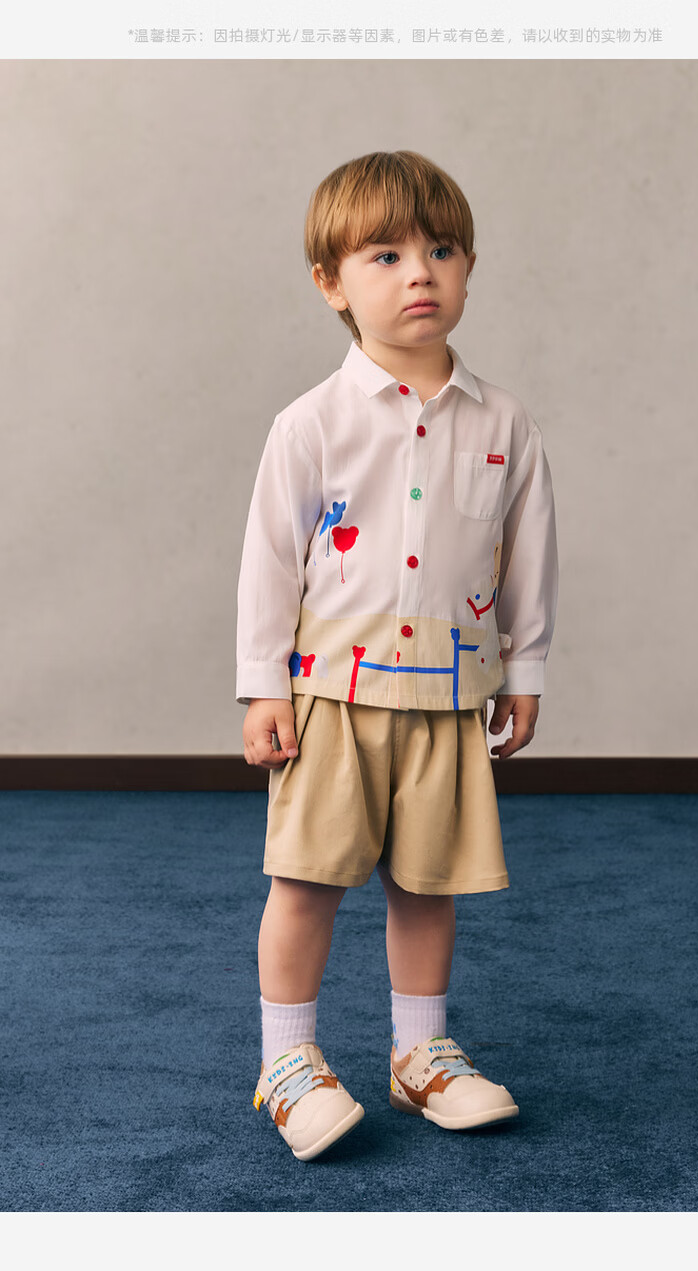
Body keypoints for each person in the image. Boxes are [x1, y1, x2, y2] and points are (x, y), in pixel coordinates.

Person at [236, 150, 559, 1162]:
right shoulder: (310, 424)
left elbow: (527, 557)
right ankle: (287, 1061)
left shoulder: (504, 423)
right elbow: (270, 561)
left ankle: (420, 1055)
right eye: (385, 255)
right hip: (333, 694)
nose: (420, 271)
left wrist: (525, 669)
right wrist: (263, 686)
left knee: (427, 883)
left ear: (469, 268)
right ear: (331, 282)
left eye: (442, 250)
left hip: (449, 697)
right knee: (306, 879)